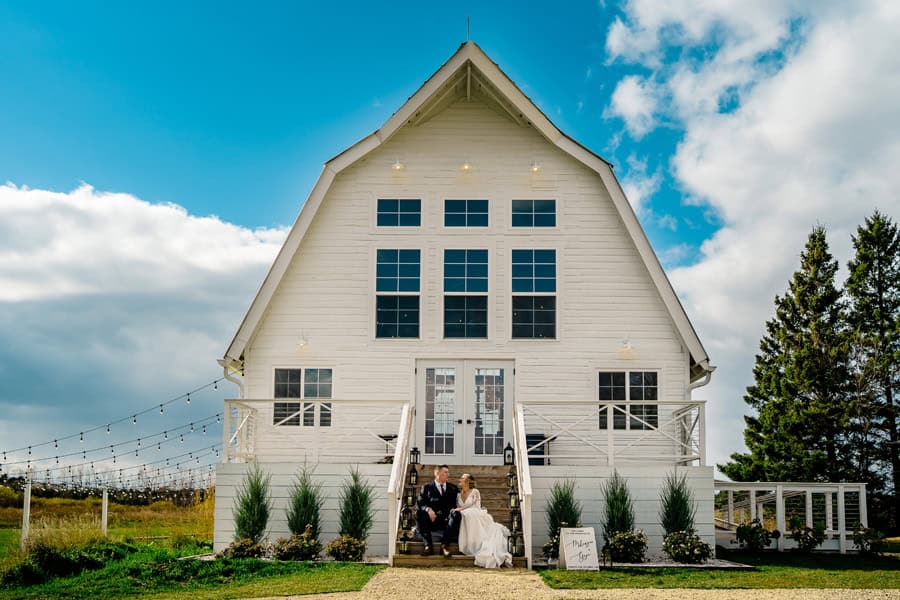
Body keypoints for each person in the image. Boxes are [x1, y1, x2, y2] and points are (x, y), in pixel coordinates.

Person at [452, 473, 513, 568]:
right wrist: (459, 510)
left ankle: (476, 545)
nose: (459, 479)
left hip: (476, 512)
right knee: (464, 515)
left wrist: (461, 509)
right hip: (464, 513)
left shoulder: (475, 491)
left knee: (468, 514)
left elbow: (473, 503)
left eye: (462, 478)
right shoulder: (458, 495)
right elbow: (458, 507)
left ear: (468, 481)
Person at [414, 464, 460, 557]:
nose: (448, 474)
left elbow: (459, 503)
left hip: (447, 520)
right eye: (445, 472)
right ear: (437, 473)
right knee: (419, 513)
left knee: (457, 515)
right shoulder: (427, 487)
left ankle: (444, 546)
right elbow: (418, 504)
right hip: (432, 520)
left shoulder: (453, 488)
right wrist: (428, 509)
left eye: (448, 472)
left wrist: (455, 509)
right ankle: (428, 546)